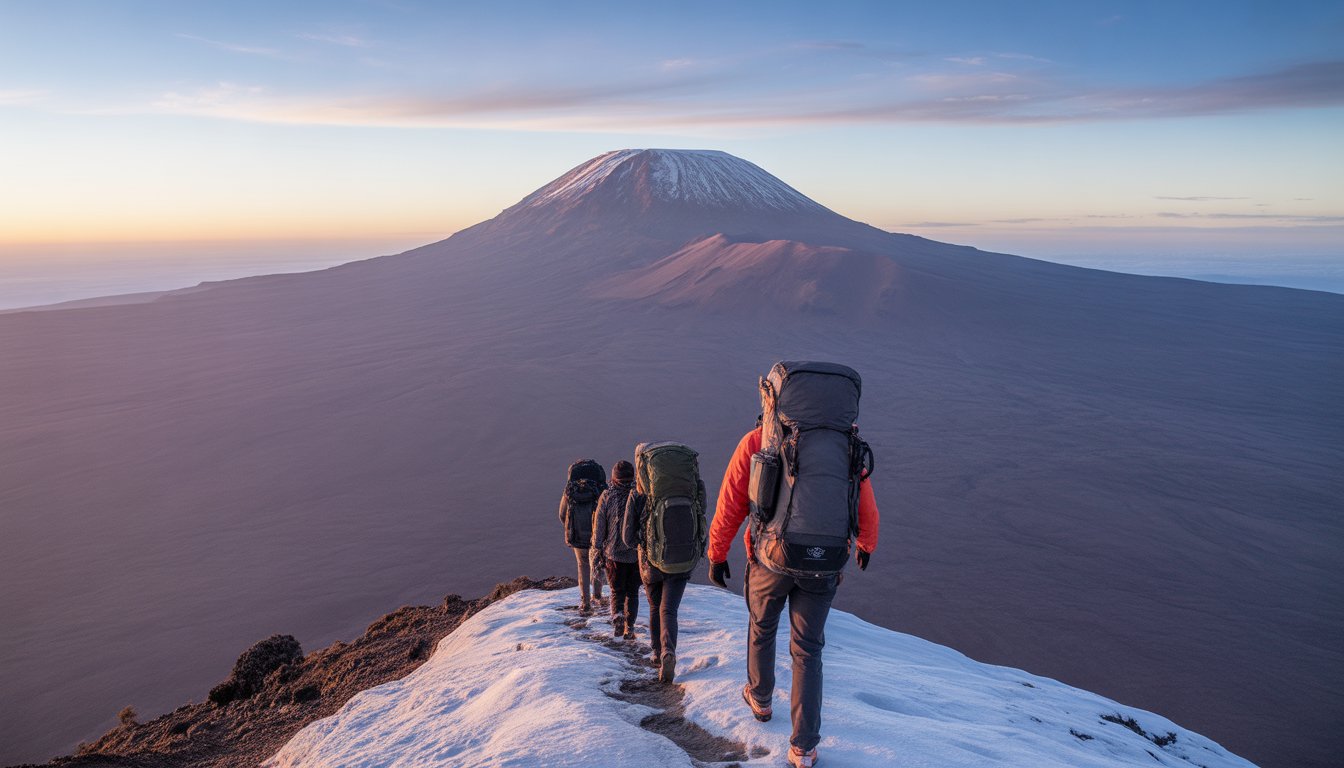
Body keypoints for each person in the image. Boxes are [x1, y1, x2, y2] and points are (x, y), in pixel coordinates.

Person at [707, 423, 879, 768]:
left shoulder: (760, 439)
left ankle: (760, 698)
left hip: (771, 560)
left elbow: (733, 500)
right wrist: (866, 543)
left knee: (762, 627)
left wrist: (717, 553)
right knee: (808, 650)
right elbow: (865, 502)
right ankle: (803, 748)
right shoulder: (842, 444)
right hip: (824, 563)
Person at [621, 443, 706, 684]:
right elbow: (701, 515)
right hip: (682, 559)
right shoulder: (693, 487)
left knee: (655, 607)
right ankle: (669, 651)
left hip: (651, 563)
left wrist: (644, 543)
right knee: (669, 610)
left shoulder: (638, 493)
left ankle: (657, 653)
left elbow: (627, 538)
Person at [591, 460, 639, 638]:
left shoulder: (607, 495)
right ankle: (630, 627)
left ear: (614, 478)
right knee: (632, 593)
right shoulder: (639, 494)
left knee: (616, 591)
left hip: (613, 554)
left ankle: (617, 616)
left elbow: (600, 525)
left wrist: (597, 547)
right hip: (635, 554)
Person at [558, 459, 606, 614]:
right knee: (598, 563)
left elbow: (561, 514)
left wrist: (570, 527)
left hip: (577, 535)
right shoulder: (600, 489)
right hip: (597, 535)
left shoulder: (570, 491)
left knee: (583, 564)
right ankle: (597, 595)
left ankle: (585, 602)